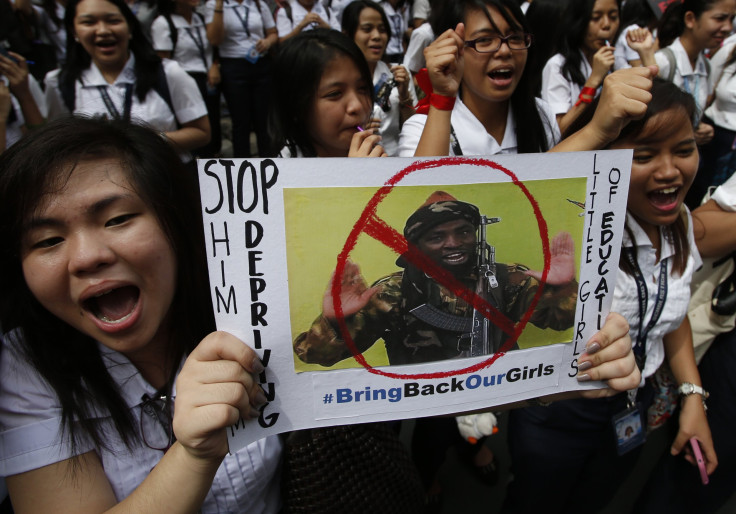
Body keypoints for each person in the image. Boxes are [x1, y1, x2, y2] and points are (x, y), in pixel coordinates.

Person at [0, 116, 281, 512]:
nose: (86, 258)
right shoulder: (23, 367)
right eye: (48, 240)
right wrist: (193, 456)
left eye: (117, 219)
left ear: (174, 221)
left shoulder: (247, 300)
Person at [504, 77, 717, 514]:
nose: (669, 170)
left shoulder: (681, 228)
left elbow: (671, 320)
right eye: (644, 155)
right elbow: (522, 199)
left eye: (683, 149)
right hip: (558, 412)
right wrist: (596, 131)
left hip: (632, 409)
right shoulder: (579, 228)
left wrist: (692, 395)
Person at [294, 191, 578, 366]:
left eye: (463, 232)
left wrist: (563, 289)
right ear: (417, 246)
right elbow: (315, 355)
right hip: (428, 411)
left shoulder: (505, 278)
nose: (453, 243)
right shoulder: (393, 291)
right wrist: (334, 322)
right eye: (436, 236)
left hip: (498, 398)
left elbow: (562, 320)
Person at [44, 0, 210, 160]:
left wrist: (142, 141)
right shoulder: (60, 83)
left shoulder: (169, 73)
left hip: (165, 180)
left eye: (113, 20)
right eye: (89, 22)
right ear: (74, 31)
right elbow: (58, 142)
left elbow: (201, 133)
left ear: (130, 27)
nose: (103, 30)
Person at [268, 28, 386, 157]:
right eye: (335, 94)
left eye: (363, 88)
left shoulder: (373, 153)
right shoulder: (284, 172)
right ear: (296, 105)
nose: (357, 106)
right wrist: (356, 174)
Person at [342, 0, 416, 156]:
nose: (376, 36)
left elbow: (413, 128)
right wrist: (359, 130)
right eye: (367, 29)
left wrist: (404, 96)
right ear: (347, 34)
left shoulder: (399, 74)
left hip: (396, 162)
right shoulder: (338, 82)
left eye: (382, 30)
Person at [205, 0, 277, 157]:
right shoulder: (214, 5)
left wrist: (267, 41)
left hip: (260, 62)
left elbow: (273, 33)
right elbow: (214, 40)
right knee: (240, 121)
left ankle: (269, 162)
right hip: (233, 65)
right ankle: (242, 166)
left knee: (264, 121)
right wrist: (219, 7)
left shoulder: (258, 4)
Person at [151, 0, 222, 157]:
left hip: (208, 79)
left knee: (213, 126)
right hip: (184, 84)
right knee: (195, 130)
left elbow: (213, 46)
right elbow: (164, 62)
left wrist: (214, 65)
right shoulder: (163, 23)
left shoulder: (200, 19)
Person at [541, 0, 620, 135]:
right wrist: (593, 80)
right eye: (596, 18)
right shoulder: (558, 66)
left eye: (613, 17)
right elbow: (559, 130)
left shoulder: (614, 62)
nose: (606, 25)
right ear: (578, 21)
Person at [275, 0, 340, 43]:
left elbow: (340, 37)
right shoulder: (286, 12)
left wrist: (327, 27)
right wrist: (300, 27)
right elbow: (283, 42)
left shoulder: (326, 10)